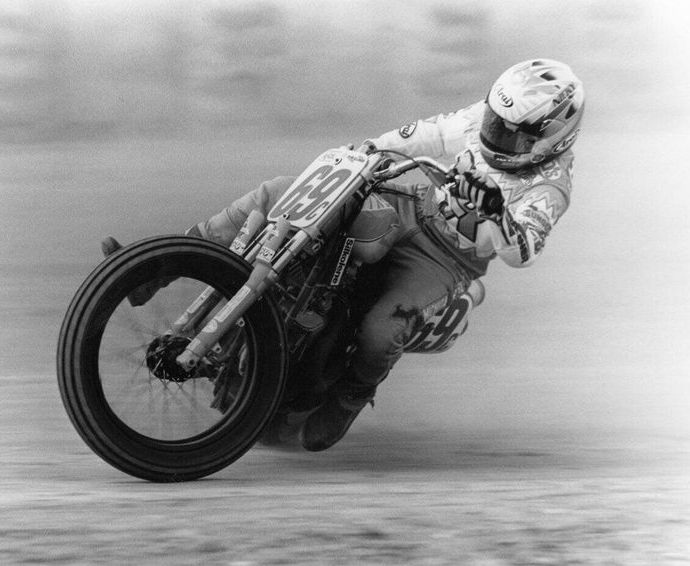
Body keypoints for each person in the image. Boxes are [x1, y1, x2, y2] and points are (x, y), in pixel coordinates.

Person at [105, 59, 585, 451]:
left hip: (448, 259)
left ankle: (350, 398)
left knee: (384, 326)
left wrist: (498, 215)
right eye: (494, 122)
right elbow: (430, 134)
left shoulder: (550, 186)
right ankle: (155, 268)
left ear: (551, 136)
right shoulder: (482, 120)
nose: (496, 135)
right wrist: (371, 148)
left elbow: (525, 249)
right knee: (280, 192)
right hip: (410, 205)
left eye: (513, 133)